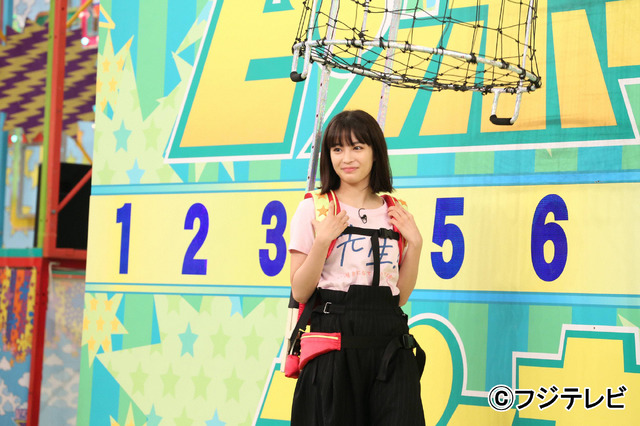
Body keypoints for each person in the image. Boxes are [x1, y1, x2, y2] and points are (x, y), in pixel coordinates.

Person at [288, 109, 425, 426]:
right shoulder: (314, 208)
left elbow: (400, 297)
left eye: (357, 147)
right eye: (337, 149)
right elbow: (300, 291)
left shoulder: (396, 211)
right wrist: (322, 241)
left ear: (376, 153)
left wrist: (416, 245)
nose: (346, 158)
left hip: (390, 346)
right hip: (335, 345)